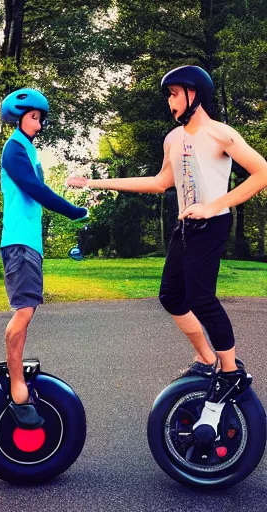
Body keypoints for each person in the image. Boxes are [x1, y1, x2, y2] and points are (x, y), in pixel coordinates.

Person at [67, 66, 267, 430]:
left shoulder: (221, 134)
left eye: (175, 93)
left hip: (212, 223)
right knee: (172, 297)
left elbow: (262, 172)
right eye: (169, 94)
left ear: (195, 94)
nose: (171, 101)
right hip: (185, 226)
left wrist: (212, 205)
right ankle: (206, 359)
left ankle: (231, 370)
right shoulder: (173, 139)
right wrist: (96, 183)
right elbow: (161, 182)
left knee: (202, 298)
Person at [0, 88, 88, 429]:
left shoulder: (27, 148)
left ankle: (16, 372)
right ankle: (16, 384)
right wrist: (72, 210)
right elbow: (36, 190)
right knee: (23, 309)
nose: (39, 124)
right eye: (34, 117)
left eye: (40, 118)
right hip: (19, 243)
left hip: (29, 243)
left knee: (28, 308)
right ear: (19, 117)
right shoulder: (14, 149)